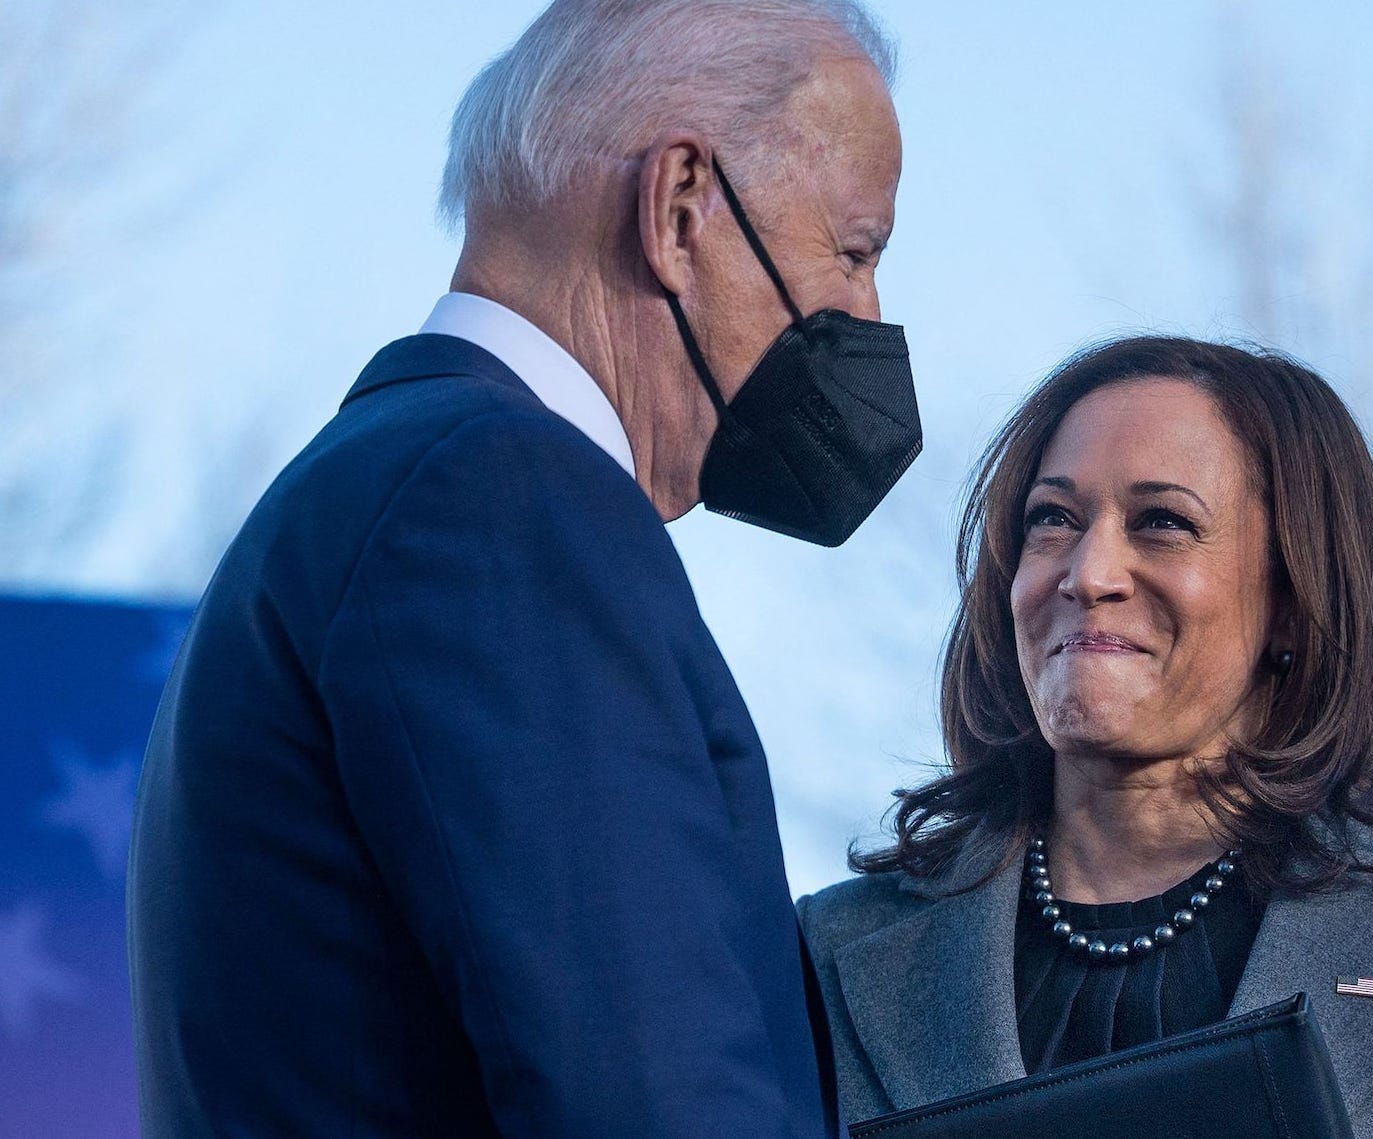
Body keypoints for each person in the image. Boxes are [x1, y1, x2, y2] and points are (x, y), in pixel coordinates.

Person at [128, 2, 913, 1135]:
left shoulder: (380, 485)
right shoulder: (498, 494)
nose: (868, 313)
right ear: (680, 208)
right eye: (854, 248)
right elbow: (654, 1095)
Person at [799, 337, 1373, 1138]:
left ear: (1292, 598)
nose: (1087, 572)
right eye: (1053, 519)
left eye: (1162, 522)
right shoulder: (825, 954)